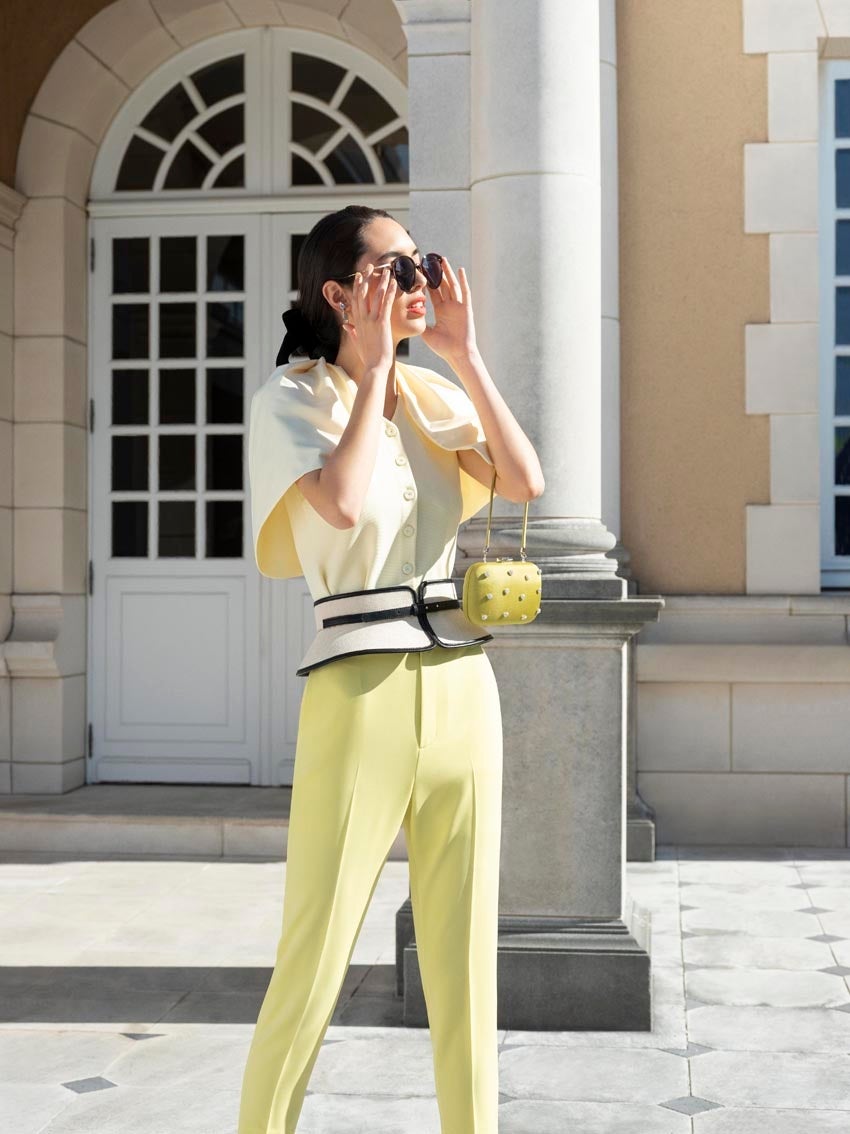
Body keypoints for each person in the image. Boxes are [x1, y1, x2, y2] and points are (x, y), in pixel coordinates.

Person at [238, 204, 544, 1134]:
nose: (420, 282)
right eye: (398, 269)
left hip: (462, 689)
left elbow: (526, 482)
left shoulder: (435, 397)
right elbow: (338, 504)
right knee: (314, 958)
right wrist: (372, 373)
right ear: (340, 295)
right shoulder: (292, 400)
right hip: (356, 691)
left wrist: (465, 354)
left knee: (466, 962)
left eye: (424, 263)